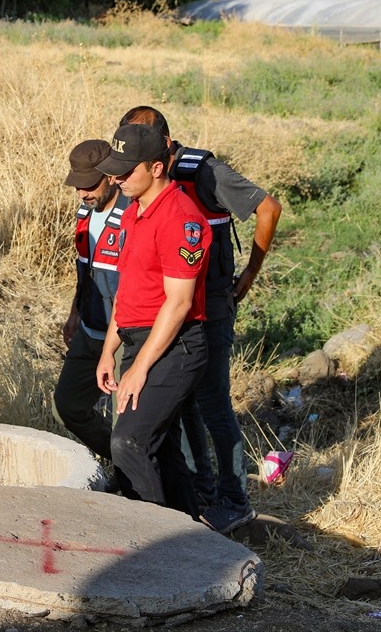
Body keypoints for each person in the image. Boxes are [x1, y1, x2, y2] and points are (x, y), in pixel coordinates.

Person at [121, 105, 282, 534]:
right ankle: (201, 490)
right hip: (169, 308)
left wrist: (250, 272)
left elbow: (269, 207)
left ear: (164, 147)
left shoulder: (203, 171)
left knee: (212, 401)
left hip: (207, 306)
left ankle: (235, 499)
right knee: (181, 402)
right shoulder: (138, 179)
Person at [95, 124, 211, 519]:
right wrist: (109, 351)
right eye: (115, 171)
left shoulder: (180, 219)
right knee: (161, 448)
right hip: (137, 340)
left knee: (129, 443)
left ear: (156, 168)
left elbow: (178, 304)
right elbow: (127, 292)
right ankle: (192, 534)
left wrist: (140, 367)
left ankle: (151, 535)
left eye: (126, 171)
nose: (117, 179)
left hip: (174, 347)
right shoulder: (134, 213)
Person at [53, 139, 128, 461]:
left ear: (111, 176)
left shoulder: (132, 215)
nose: (82, 193)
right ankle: (127, 464)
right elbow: (85, 268)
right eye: (77, 186)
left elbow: (131, 290)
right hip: (89, 328)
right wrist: (75, 312)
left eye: (89, 185)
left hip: (124, 336)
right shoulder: (85, 211)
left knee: (128, 427)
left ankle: (135, 478)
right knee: (66, 407)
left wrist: (111, 349)